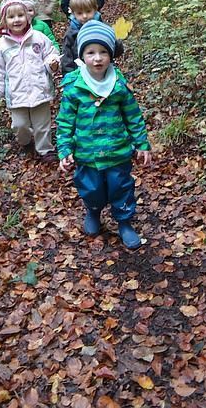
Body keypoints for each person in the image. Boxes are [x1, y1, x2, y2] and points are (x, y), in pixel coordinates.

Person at [56, 20, 151, 249]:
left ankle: (124, 221)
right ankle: (94, 211)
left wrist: (142, 144)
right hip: (87, 154)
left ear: (111, 55)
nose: (97, 58)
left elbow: (133, 116)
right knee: (91, 188)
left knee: (121, 187)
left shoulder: (118, 85)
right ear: (82, 55)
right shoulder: (74, 87)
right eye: (90, 52)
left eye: (103, 52)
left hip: (117, 151)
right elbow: (65, 121)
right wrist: (65, 149)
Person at [0, 0, 59, 158]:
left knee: (42, 124)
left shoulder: (38, 38)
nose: (16, 20)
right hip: (16, 93)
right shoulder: (1, 46)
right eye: (11, 17)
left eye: (20, 15)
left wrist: (52, 63)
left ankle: (45, 149)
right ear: (4, 21)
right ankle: (25, 142)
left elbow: (50, 54)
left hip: (39, 89)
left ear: (28, 17)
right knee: (20, 125)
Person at [61, 0, 124, 75]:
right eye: (79, 13)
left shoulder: (103, 28)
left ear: (95, 9)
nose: (84, 16)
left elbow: (116, 51)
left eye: (88, 11)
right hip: (81, 73)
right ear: (73, 13)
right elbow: (67, 56)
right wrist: (69, 75)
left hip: (105, 71)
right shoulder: (71, 33)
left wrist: (117, 42)